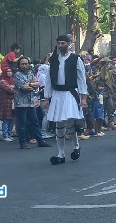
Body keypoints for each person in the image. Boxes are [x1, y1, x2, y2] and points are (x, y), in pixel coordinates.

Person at [44, 35, 88, 165]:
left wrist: (83, 97)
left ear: (69, 44)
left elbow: (81, 79)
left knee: (69, 122)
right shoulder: (54, 60)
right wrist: (47, 97)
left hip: (69, 93)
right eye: (59, 43)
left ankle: (76, 146)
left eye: (63, 43)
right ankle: (60, 154)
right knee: (59, 123)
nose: (60, 45)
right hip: (57, 94)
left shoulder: (75, 59)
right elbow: (48, 79)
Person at [14, 56, 51, 149]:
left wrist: (30, 84)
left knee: (35, 122)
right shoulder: (17, 75)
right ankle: (23, 142)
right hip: (21, 103)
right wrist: (31, 86)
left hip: (31, 102)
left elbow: (38, 83)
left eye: (26, 63)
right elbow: (23, 87)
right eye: (22, 64)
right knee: (22, 124)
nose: (25, 65)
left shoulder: (30, 74)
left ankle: (40, 140)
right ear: (19, 65)